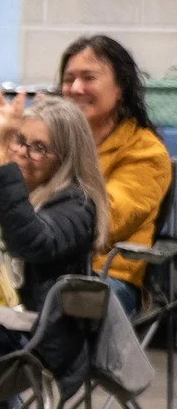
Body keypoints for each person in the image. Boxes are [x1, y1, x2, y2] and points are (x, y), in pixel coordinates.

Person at [0, 95, 105, 372]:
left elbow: (31, 242)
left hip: (35, 333)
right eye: (20, 140)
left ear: (65, 159)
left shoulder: (78, 205)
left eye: (39, 147)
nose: (22, 152)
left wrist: (2, 175)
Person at [50, 34, 170, 314]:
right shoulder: (50, 140)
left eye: (89, 78)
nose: (75, 88)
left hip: (106, 276)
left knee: (59, 302)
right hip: (41, 261)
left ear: (121, 88)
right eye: (69, 79)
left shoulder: (146, 152)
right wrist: (7, 135)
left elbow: (106, 221)